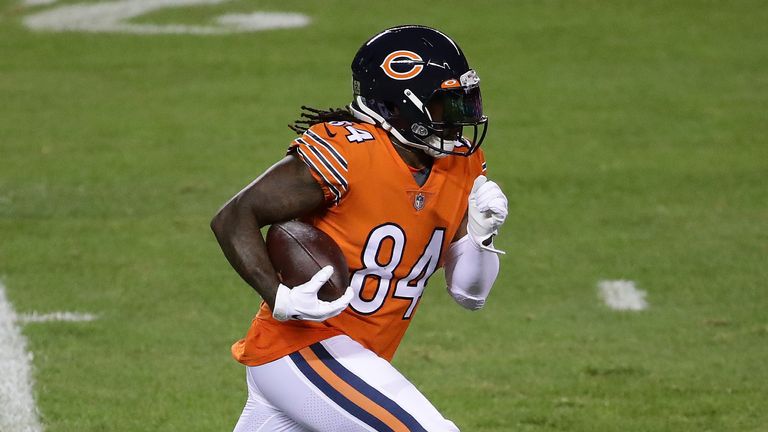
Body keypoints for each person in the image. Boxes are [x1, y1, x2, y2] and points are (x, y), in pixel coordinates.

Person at [211, 24, 508, 432]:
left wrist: (482, 234)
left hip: (352, 361)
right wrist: (277, 296)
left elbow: (469, 294)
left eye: (463, 104)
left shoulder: (463, 163)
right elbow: (233, 217)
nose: (459, 120)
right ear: (399, 106)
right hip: (301, 348)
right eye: (445, 105)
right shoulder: (350, 151)